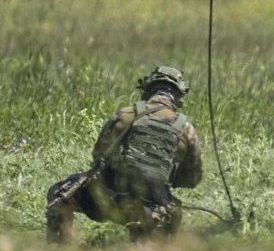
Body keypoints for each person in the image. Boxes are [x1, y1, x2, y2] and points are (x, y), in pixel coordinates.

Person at [46, 66, 203, 242]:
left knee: (59, 193)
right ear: (179, 95)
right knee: (171, 216)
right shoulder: (186, 130)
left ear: (148, 89)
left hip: (108, 201)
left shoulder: (126, 115)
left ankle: (59, 247)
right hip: (154, 213)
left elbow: (99, 154)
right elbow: (192, 179)